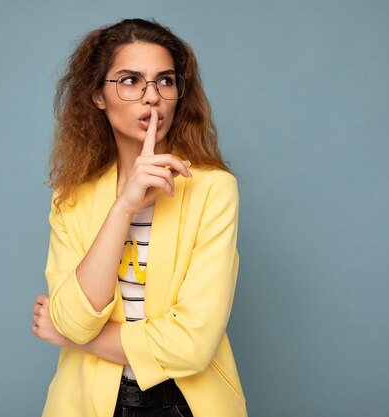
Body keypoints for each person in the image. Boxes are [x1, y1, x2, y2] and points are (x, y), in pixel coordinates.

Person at [31, 18, 247, 417]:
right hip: (86, 402)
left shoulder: (213, 189)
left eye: (165, 81)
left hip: (183, 403)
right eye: (130, 81)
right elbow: (75, 320)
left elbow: (191, 345)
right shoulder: (72, 197)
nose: (152, 97)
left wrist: (78, 341)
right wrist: (123, 207)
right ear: (98, 95)